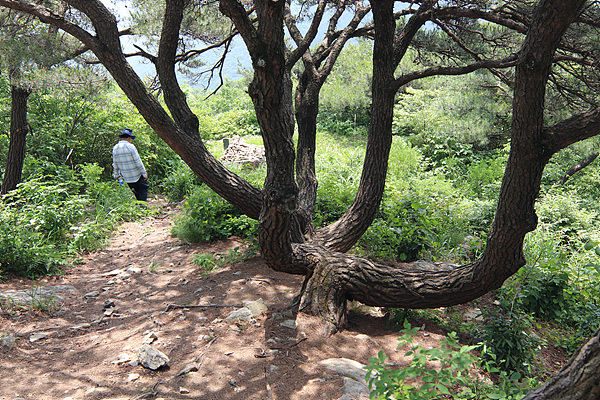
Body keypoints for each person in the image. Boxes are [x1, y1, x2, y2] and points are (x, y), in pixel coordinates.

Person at [112, 128, 149, 201]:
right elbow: (138, 162)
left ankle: (138, 209)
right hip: (137, 175)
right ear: (129, 138)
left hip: (127, 177)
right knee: (143, 189)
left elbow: (115, 163)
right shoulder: (131, 147)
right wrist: (144, 173)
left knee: (136, 192)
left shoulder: (115, 148)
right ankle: (142, 209)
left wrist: (116, 175)